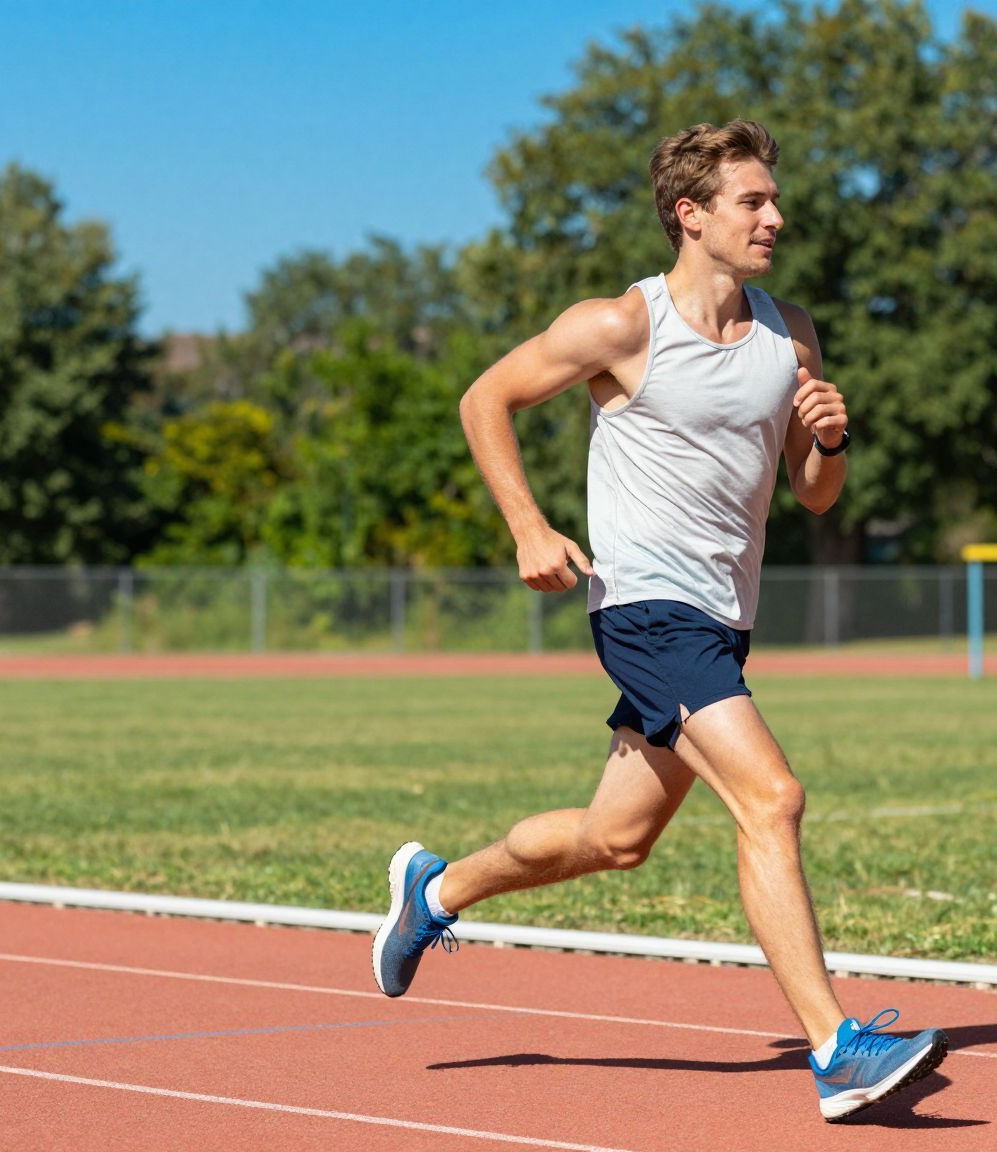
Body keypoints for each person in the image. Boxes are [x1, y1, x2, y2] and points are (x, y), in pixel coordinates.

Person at [369, 119, 946, 1123]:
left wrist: (832, 438)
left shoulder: (789, 329)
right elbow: (484, 399)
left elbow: (814, 497)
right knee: (771, 797)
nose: (775, 215)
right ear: (690, 215)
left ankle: (435, 891)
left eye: (773, 199)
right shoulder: (619, 327)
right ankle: (835, 1049)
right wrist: (527, 525)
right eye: (751, 201)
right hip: (644, 605)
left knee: (615, 839)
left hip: (723, 617)